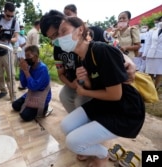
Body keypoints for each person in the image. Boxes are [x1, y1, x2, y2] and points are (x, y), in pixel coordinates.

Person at [57, 16, 145, 167]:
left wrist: (84, 92)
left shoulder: (101, 51)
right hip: (103, 103)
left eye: (64, 31)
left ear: (80, 30)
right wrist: (86, 82)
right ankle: (89, 146)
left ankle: (102, 155)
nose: (60, 38)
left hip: (125, 109)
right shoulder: (80, 58)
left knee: (72, 142)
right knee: (65, 125)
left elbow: (116, 94)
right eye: (58, 35)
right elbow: (94, 86)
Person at [40, 10, 136, 113]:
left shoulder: (94, 32)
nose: (56, 39)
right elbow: (61, 74)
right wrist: (71, 84)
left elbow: (116, 49)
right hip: (76, 80)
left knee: (81, 101)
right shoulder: (58, 49)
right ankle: (77, 121)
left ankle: (91, 122)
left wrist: (129, 61)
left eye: (57, 33)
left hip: (100, 81)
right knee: (64, 96)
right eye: (51, 38)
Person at [12, 45, 52, 121]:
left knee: (25, 116)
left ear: (36, 56)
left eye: (28, 56)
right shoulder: (29, 67)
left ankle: (45, 107)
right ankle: (30, 107)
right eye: (25, 56)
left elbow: (34, 87)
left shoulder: (43, 69)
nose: (26, 58)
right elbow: (23, 84)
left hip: (41, 95)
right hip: (31, 94)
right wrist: (22, 70)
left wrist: (26, 72)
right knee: (15, 105)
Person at [0, 2, 20, 100]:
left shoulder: (15, 22)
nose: (10, 18)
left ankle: (13, 94)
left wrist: (8, 39)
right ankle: (3, 91)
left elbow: (16, 38)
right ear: (4, 11)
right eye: (8, 15)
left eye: (12, 16)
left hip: (7, 50)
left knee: (11, 74)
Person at [143, 16, 162, 90]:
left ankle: (155, 88)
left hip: (161, 55)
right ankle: (149, 88)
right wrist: (145, 53)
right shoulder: (153, 30)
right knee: (149, 72)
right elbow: (148, 43)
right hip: (151, 53)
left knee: (159, 73)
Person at [16, 25, 27, 90]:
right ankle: (21, 85)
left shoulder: (25, 37)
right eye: (21, 29)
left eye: (23, 29)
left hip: (26, 56)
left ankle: (24, 84)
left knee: (26, 71)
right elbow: (18, 47)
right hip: (21, 56)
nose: (22, 30)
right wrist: (25, 43)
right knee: (22, 71)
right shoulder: (18, 37)